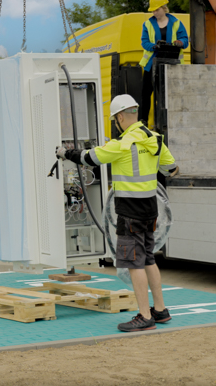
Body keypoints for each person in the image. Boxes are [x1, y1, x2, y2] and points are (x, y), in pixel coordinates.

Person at [56, 94, 179, 332]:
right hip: (150, 210)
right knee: (149, 258)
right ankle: (160, 310)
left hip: (129, 211)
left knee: (135, 264)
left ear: (120, 117)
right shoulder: (155, 139)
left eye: (115, 119)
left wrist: (64, 153)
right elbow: (172, 169)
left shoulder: (121, 144)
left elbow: (88, 158)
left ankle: (144, 316)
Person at [139, 0, 189, 124]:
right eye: (153, 10)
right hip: (151, 64)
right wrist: (154, 46)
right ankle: (143, 120)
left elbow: (185, 39)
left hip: (171, 64)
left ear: (164, 8)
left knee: (165, 95)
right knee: (146, 93)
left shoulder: (176, 23)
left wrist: (180, 42)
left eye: (157, 10)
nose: (155, 13)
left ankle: (166, 121)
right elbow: (144, 42)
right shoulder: (147, 24)